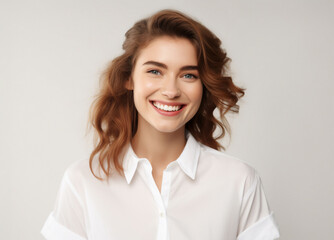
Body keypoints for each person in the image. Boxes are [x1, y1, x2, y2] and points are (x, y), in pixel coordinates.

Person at [41, 9, 280, 240]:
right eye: (155, 71)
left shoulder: (240, 182)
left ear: (203, 85)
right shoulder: (83, 182)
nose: (171, 91)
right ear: (128, 78)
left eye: (188, 75)